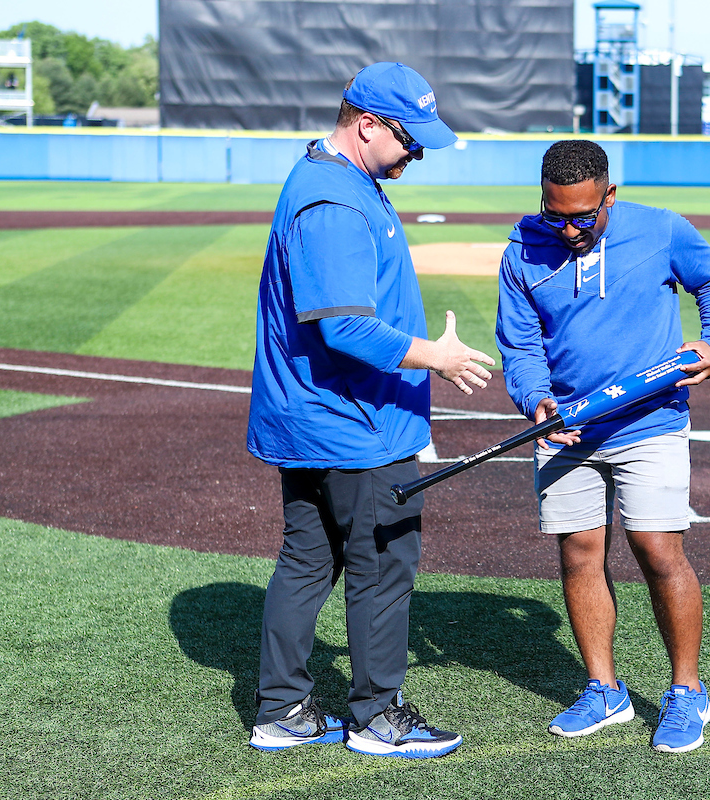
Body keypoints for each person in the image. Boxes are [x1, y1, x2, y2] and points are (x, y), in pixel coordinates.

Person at [246, 61, 494, 758]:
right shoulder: (334, 201)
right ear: (367, 125)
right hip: (354, 424)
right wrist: (434, 356)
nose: (417, 153)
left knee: (307, 561)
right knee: (382, 568)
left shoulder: (335, 179)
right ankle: (377, 718)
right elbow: (346, 328)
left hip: (318, 416)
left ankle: (283, 711)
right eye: (410, 140)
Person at [495, 140, 710, 754]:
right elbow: (521, 347)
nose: (570, 228)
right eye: (557, 215)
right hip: (566, 427)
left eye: (583, 215)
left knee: (657, 549)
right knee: (579, 553)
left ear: (609, 194)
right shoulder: (522, 250)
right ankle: (604, 689)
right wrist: (538, 404)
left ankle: (687, 691)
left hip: (650, 418)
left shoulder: (662, 231)